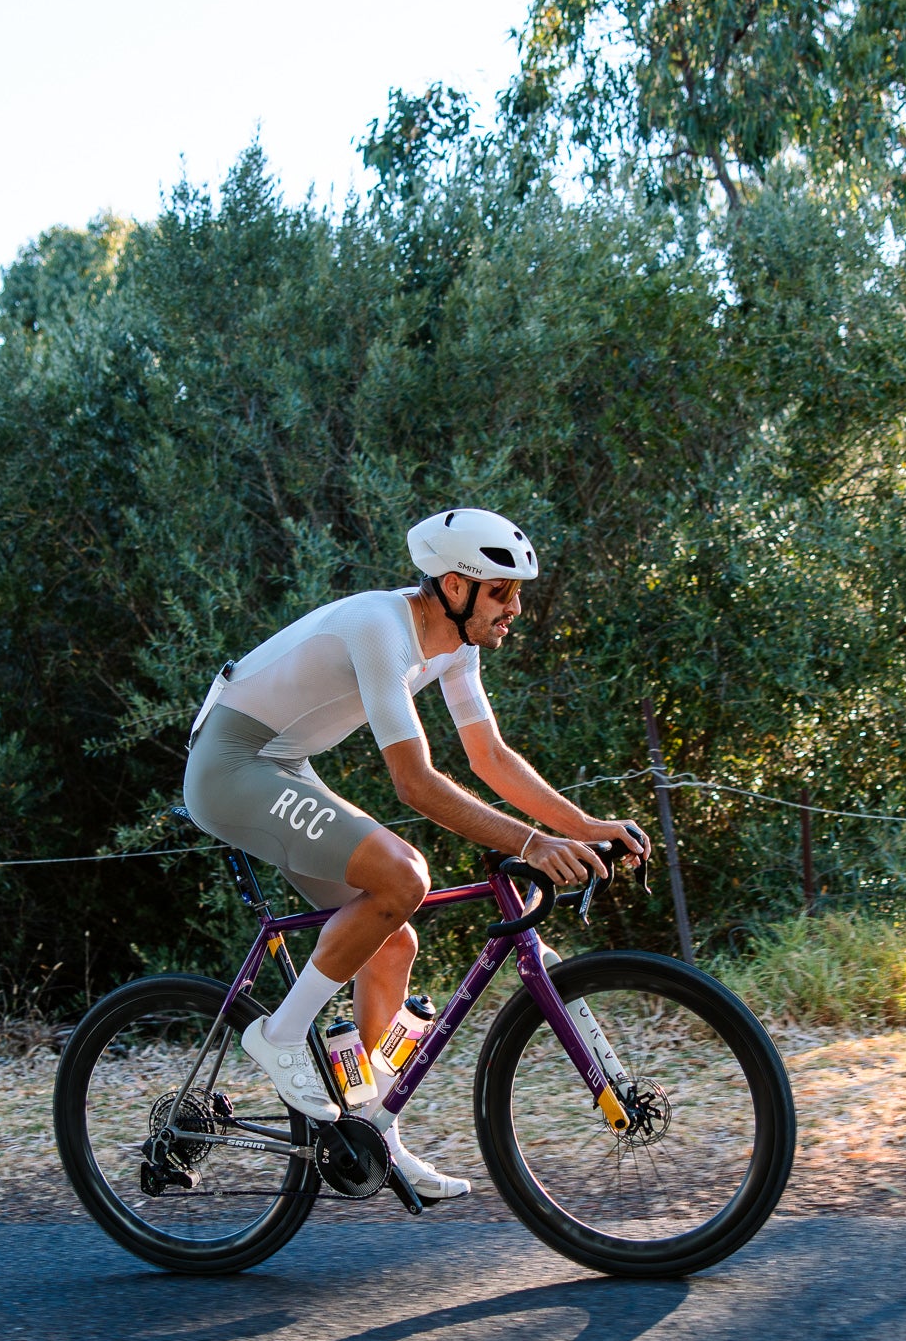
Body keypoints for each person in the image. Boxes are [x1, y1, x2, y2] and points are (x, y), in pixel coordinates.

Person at [183, 508, 646, 1200]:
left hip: (281, 765)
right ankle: (280, 1035)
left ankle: (379, 1135)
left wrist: (582, 825)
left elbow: (488, 757)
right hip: (230, 767)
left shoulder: (458, 645)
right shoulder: (381, 626)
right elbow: (414, 782)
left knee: (392, 941)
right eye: (501, 591)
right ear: (455, 586)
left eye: (517, 593)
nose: (516, 608)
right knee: (404, 875)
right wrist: (530, 841)